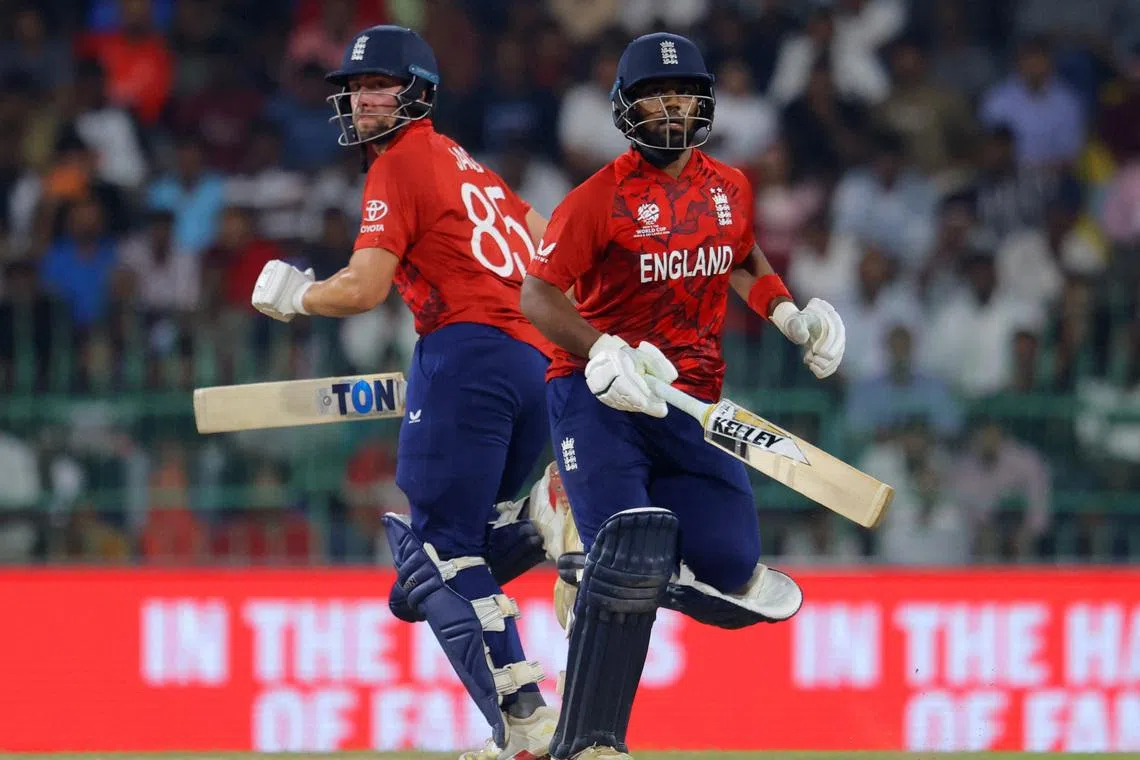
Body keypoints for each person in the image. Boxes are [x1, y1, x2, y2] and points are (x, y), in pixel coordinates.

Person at [247, 25, 577, 760]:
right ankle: (536, 527)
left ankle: (524, 716)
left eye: (377, 87)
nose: (361, 100)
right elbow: (547, 235)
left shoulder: (398, 163)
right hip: (536, 365)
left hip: (467, 355)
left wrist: (300, 296)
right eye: (355, 88)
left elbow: (364, 289)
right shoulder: (469, 164)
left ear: (417, 94)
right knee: (447, 562)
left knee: (441, 550)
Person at [520, 32, 848, 760]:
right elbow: (536, 296)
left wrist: (790, 314)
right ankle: (574, 518)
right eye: (651, 96)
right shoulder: (595, 200)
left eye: (681, 94)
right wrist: (599, 347)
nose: (669, 107)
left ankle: (602, 540)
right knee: (625, 560)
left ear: (704, 102)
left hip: (691, 404)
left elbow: (741, 256)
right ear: (624, 109)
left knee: (734, 568)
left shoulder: (731, 186)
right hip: (600, 394)